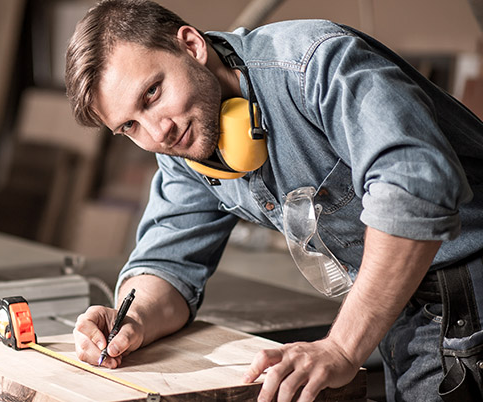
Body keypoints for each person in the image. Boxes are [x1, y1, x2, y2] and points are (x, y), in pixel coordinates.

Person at [64, 1, 483, 401]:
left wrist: (340, 346)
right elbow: (166, 265)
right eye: (130, 126)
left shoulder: (314, 64)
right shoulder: (185, 147)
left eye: (152, 93)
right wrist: (132, 320)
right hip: (399, 302)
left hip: (467, 284)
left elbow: (414, 188)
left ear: (191, 45)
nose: (158, 133)